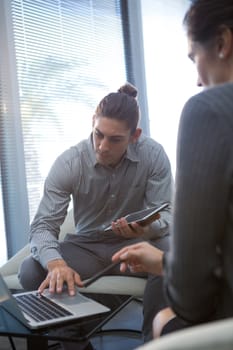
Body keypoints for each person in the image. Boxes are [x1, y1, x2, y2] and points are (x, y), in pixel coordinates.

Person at [112, 0, 233, 340]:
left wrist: (167, 267)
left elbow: (191, 297)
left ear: (222, 44)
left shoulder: (207, 111)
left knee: (161, 302)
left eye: (195, 58)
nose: (197, 79)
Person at [19, 82, 173, 344]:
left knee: (171, 261)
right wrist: (56, 264)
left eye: (115, 140)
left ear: (135, 135)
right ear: (93, 122)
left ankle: (154, 344)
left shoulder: (153, 155)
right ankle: (74, 341)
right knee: (30, 271)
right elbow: (43, 226)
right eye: (98, 134)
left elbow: (167, 214)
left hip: (136, 245)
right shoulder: (70, 162)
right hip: (87, 247)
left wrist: (147, 228)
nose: (102, 146)